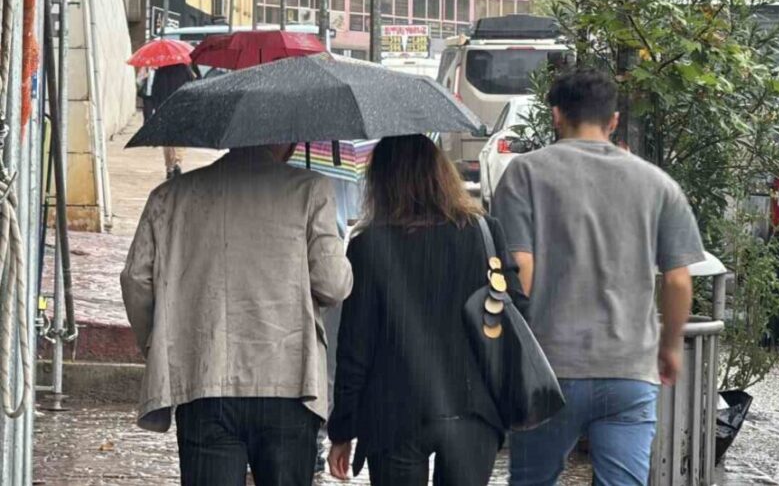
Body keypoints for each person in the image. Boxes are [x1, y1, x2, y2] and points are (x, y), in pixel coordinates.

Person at [492, 68, 704, 486]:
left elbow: (522, 269)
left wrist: (507, 353)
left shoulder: (524, 173)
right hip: (628, 370)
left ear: (555, 114)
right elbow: (679, 281)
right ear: (613, 120)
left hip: (549, 370)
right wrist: (670, 347)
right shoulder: (657, 183)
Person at [120, 144, 352, 486]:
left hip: (204, 379)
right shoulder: (309, 190)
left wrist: (162, 347)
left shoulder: (170, 197)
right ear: (285, 140)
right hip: (288, 385)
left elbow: (136, 279)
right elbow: (332, 285)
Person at [328, 134, 521, 485]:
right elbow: (514, 312)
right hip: (472, 408)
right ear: (441, 175)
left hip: (394, 414)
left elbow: (355, 347)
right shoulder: (484, 233)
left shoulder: (369, 247)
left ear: (382, 182)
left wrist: (342, 428)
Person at [146, 63, 194, 179]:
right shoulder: (185, 69)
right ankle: (177, 161)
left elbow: (155, 91)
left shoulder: (161, 70)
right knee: (180, 136)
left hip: (164, 107)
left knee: (167, 138)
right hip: (181, 106)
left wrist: (155, 107)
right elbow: (192, 87)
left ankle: (169, 167)